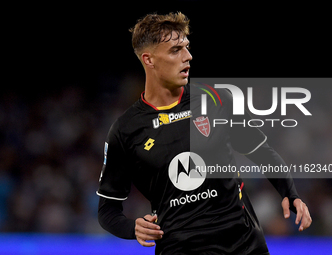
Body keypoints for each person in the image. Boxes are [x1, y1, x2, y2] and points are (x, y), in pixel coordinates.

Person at [97, 12, 312, 255]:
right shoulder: (125, 129)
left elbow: (261, 152)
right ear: (149, 60)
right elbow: (108, 209)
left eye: (187, 47)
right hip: (181, 248)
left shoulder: (216, 99)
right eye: (176, 50)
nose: (188, 57)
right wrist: (132, 228)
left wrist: (290, 193)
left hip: (243, 242)